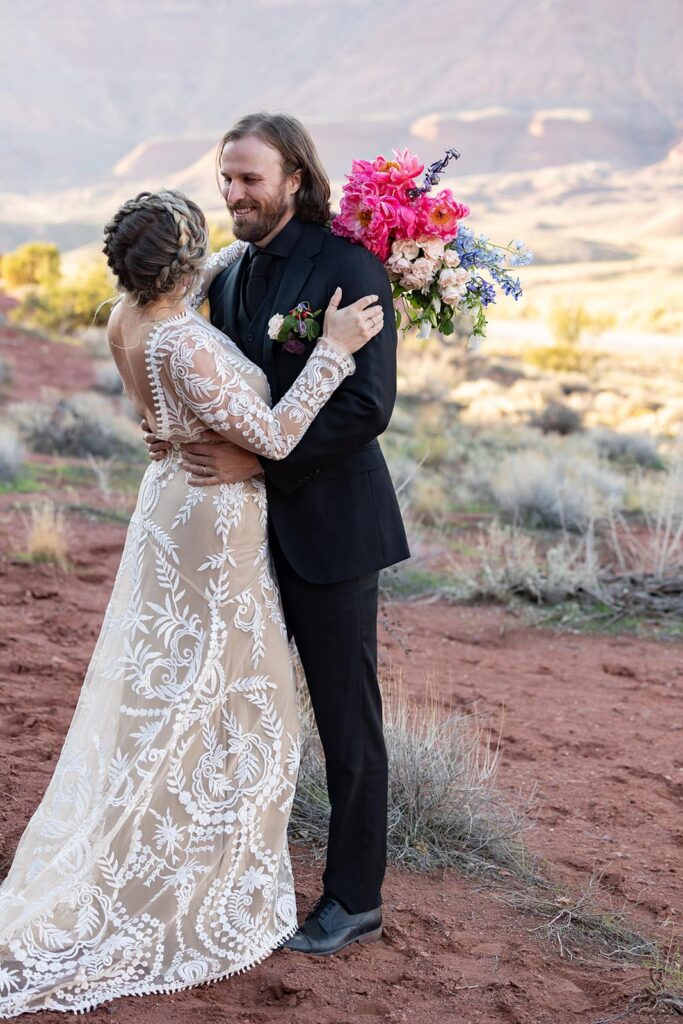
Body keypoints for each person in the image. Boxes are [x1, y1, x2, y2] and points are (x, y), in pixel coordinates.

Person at [0, 188, 384, 1017]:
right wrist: (336, 349)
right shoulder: (184, 341)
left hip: (166, 499)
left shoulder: (123, 319)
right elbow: (275, 438)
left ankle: (173, 822)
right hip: (213, 519)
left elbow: (196, 285)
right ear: (180, 262)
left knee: (172, 680)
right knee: (236, 689)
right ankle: (197, 857)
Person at [143, 113, 410, 956]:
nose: (233, 194)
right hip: (242, 539)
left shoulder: (347, 266)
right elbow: (218, 384)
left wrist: (258, 465)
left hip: (331, 532)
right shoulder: (227, 277)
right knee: (238, 710)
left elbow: (368, 405)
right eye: (226, 178)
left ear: (295, 177)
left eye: (250, 179)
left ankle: (353, 898)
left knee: (345, 723)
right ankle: (227, 870)